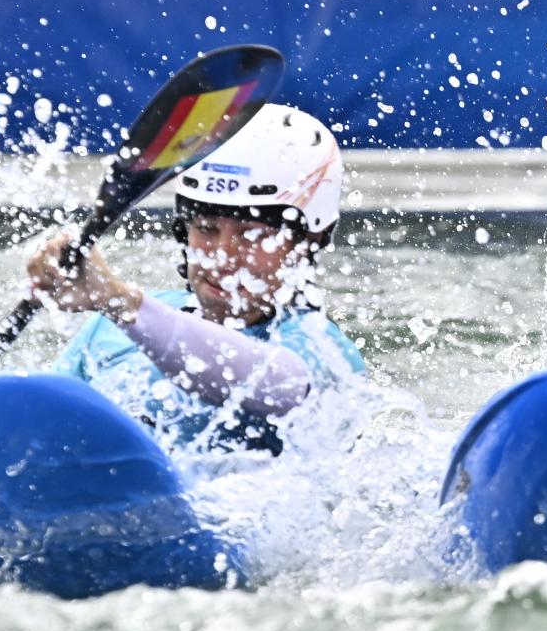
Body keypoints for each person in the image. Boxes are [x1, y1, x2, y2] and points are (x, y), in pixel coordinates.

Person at [27, 103, 365, 454]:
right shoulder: (109, 327)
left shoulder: (323, 351)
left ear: (309, 241)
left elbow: (274, 381)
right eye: (205, 228)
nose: (222, 255)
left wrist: (122, 303)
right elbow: (40, 427)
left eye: (252, 233)